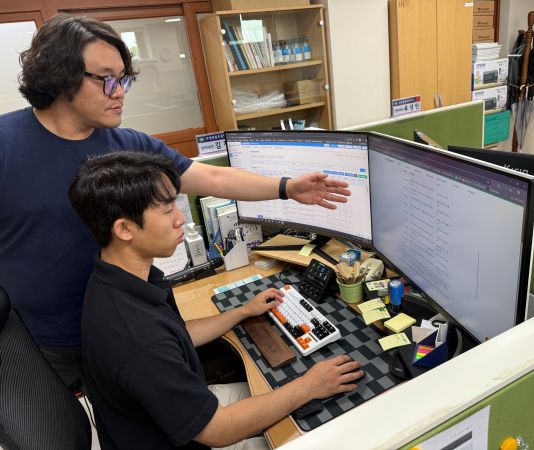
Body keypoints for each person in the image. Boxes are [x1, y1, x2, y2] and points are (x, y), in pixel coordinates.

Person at [0, 13, 350, 392]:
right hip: (46, 340)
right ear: (60, 75)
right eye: (106, 79)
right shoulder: (6, 145)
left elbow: (212, 178)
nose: (119, 92)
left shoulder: (127, 146)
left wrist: (287, 187)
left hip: (126, 327)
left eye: (124, 79)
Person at [67, 150, 363, 450]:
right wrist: (308, 386)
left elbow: (177, 334)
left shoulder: (117, 278)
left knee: (284, 391)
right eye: (167, 210)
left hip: (175, 412)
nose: (181, 219)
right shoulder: (137, 337)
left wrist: (242, 311)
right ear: (124, 229)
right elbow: (218, 430)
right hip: (198, 434)